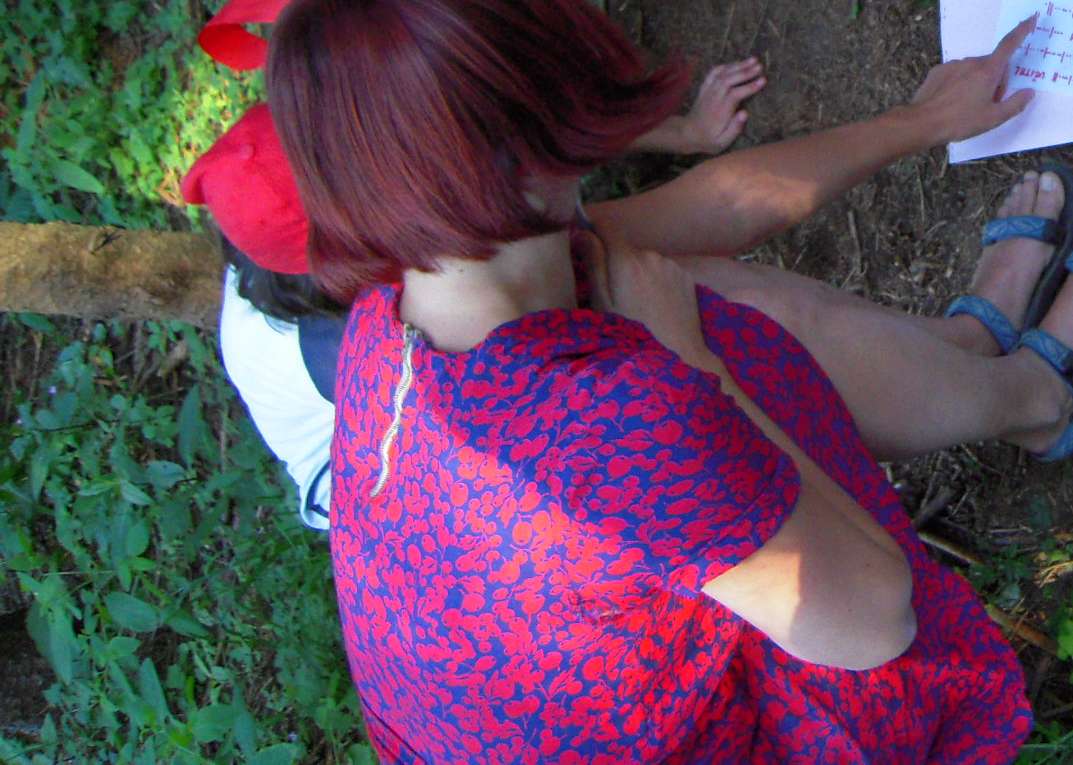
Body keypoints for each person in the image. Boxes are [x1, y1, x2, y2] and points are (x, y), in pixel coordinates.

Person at [260, 0, 1073, 760]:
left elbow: (712, 209)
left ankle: (968, 353)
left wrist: (920, 121)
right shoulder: (611, 425)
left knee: (680, 288)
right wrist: (695, 367)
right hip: (738, 724)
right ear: (522, 154)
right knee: (710, 332)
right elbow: (874, 618)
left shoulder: (403, 307)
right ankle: (1043, 399)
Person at [186, 64, 764, 529]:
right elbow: (517, 396)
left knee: (619, 252)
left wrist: (684, 131)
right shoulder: (362, 341)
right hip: (395, 481)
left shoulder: (287, 220)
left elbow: (523, 133)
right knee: (651, 329)